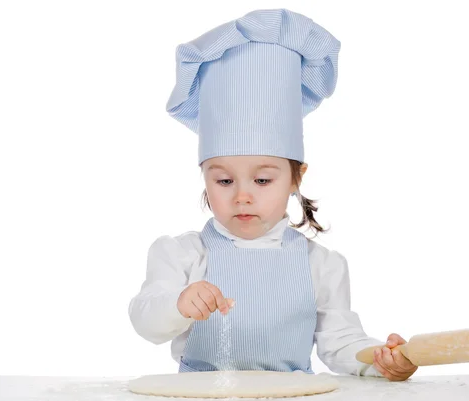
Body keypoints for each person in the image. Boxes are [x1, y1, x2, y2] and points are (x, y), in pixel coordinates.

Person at [129, 8, 418, 381]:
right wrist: (179, 304)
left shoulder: (322, 265)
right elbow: (146, 319)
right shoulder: (182, 254)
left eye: (263, 181)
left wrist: (380, 360)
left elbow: (341, 342)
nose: (243, 197)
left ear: (296, 177)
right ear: (204, 177)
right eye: (224, 181)